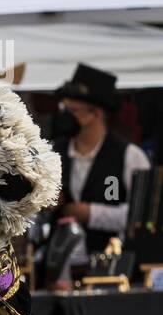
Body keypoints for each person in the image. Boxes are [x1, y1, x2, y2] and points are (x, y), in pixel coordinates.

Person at [52, 64, 151, 282]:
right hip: (60, 268)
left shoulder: (129, 156)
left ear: (95, 113)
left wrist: (92, 214)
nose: (66, 116)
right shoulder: (54, 152)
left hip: (110, 267)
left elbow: (141, 218)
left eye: (73, 111)